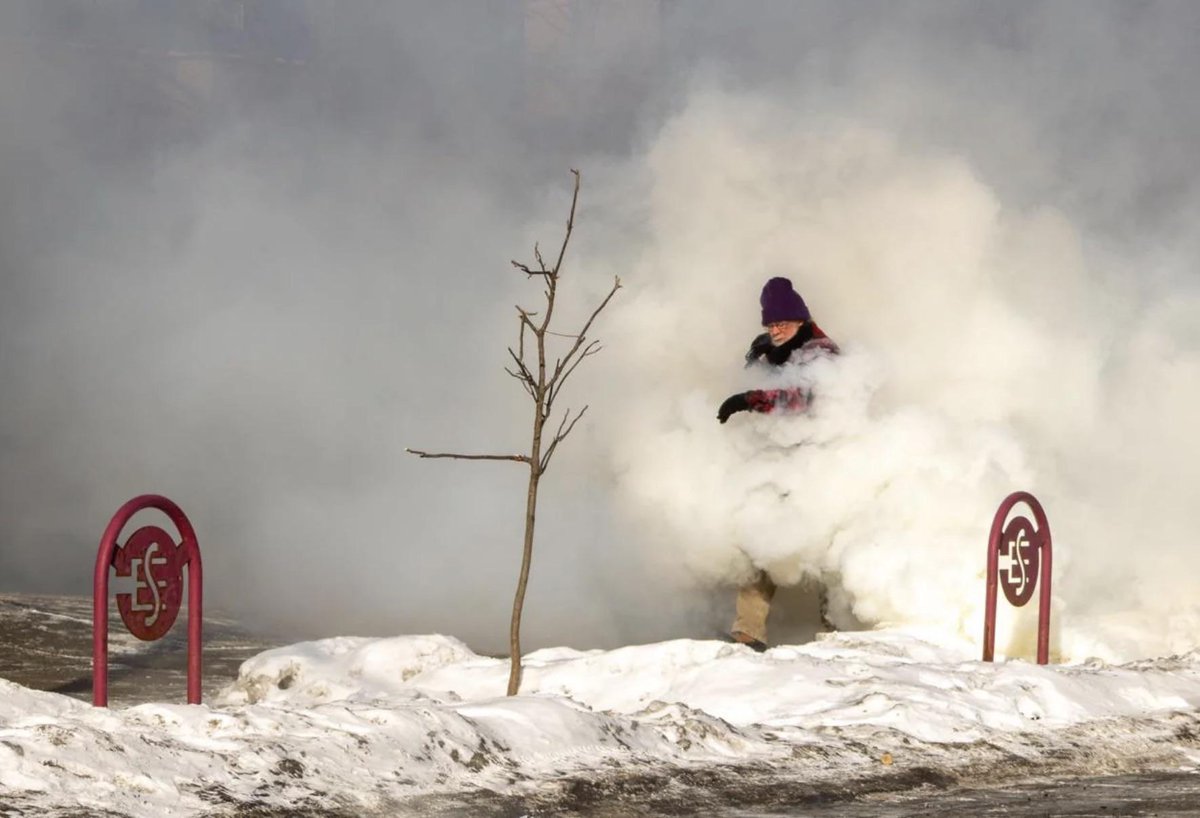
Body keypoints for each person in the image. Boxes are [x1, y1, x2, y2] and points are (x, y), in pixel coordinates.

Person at [716, 276, 839, 651]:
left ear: (800, 319)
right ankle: (748, 631)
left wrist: (750, 398)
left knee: (823, 546)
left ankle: (836, 629)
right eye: (770, 325)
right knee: (761, 534)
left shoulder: (822, 352)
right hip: (780, 461)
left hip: (823, 461)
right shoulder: (772, 349)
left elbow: (804, 399)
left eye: (782, 322)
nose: (776, 329)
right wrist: (758, 362)